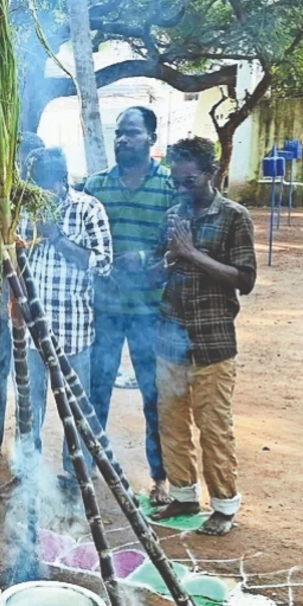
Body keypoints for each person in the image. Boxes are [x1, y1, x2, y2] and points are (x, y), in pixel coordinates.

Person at [149, 136, 256, 537]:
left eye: (189, 180)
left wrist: (194, 255)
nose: (182, 189)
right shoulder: (172, 216)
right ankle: (183, 494)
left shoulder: (234, 217)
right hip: (171, 337)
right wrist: (169, 260)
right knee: (172, 423)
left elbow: (245, 280)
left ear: (211, 173)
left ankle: (224, 506)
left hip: (213, 340)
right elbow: (156, 273)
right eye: (176, 182)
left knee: (213, 426)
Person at [83, 106, 175, 505]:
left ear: (152, 139)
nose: (123, 140)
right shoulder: (96, 186)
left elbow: (181, 246)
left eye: (132, 133)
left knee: (154, 396)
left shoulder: (171, 187)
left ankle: (161, 477)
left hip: (151, 312)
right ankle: (86, 467)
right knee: (95, 389)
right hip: (104, 309)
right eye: (119, 133)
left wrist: (142, 261)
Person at [17, 147, 113, 482]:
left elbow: (103, 263)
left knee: (75, 409)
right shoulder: (28, 211)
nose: (40, 197)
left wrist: (57, 238)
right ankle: (27, 474)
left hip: (73, 332)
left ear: (61, 180)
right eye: (35, 191)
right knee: (30, 409)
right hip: (34, 333)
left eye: (45, 189)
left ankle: (76, 475)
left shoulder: (88, 209)